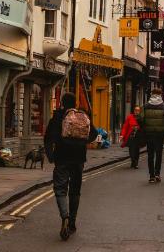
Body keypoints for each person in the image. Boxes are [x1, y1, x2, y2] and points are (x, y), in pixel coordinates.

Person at [44, 92, 97, 240]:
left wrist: (51, 155)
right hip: (79, 158)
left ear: (62, 103)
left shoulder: (58, 116)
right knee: (75, 191)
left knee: (60, 189)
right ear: (75, 103)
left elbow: (48, 137)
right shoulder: (82, 115)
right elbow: (93, 133)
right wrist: (81, 142)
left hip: (62, 158)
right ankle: (72, 223)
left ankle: (64, 216)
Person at [140, 88, 164, 183]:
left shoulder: (144, 106)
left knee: (150, 155)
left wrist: (144, 128)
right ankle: (157, 174)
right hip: (160, 134)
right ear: (160, 95)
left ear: (151, 94)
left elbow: (141, 119)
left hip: (149, 133)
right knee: (158, 154)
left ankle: (151, 176)